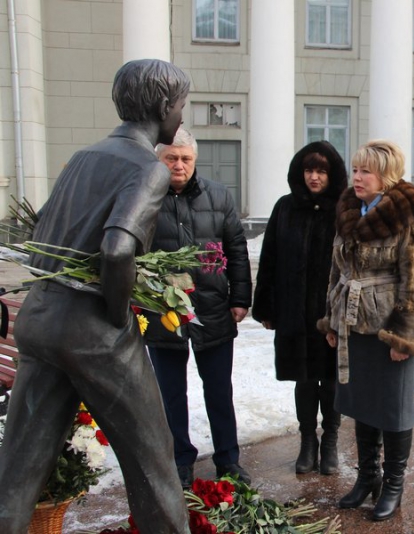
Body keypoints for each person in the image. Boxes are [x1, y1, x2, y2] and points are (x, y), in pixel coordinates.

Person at [0, 59, 191, 533]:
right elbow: (117, 249)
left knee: (17, 472)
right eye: (181, 105)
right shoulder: (148, 168)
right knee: (153, 460)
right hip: (91, 329)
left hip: (40, 317)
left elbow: (39, 231)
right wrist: (117, 314)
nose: (181, 116)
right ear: (163, 106)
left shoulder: (84, 157)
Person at [318, 139, 414, 522]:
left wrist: (406, 336)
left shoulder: (407, 214)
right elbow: (337, 269)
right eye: (355, 169)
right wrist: (332, 320)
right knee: (362, 403)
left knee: (394, 408)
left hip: (387, 329)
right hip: (353, 323)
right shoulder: (350, 209)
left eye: (366, 171)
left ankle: (394, 484)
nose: (357, 177)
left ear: (387, 175)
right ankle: (368, 477)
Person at [145, 127, 252, 488]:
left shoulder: (218, 196)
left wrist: (240, 298)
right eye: (171, 158)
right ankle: (179, 461)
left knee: (219, 390)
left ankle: (228, 460)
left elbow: (236, 249)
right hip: (163, 312)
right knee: (171, 394)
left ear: (195, 160)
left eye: (185, 158)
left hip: (212, 308)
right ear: (159, 159)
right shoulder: (145, 197)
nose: (179, 165)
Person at [252, 141, 347, 475]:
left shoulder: (343, 209)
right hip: (293, 309)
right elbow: (269, 257)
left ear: (332, 174)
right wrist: (266, 306)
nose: (314, 177)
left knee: (332, 379)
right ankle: (308, 441)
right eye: (309, 170)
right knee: (304, 379)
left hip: (331, 312)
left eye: (321, 171)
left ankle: (330, 440)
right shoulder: (285, 207)